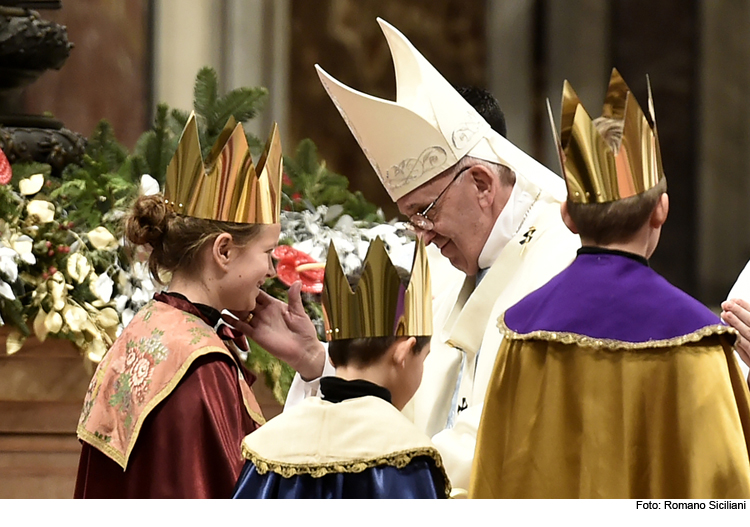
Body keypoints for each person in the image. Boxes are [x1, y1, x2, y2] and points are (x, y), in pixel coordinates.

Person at [276, 18, 580, 492]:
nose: (422, 236)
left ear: (481, 185)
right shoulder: (441, 260)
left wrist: (388, 480)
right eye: (410, 218)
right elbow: (393, 388)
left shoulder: (563, 259)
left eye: (426, 211)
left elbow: (514, 432)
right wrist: (320, 364)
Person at [470, 70, 750, 498]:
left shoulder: (521, 334)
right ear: (662, 211)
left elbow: (493, 485)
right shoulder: (699, 341)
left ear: (566, 215)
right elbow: (726, 494)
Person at [74, 114, 282, 498]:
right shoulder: (202, 367)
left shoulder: (146, 326)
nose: (271, 270)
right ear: (223, 250)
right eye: (268, 253)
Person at [231, 238, 450, 499]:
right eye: (423, 358)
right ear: (403, 352)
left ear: (331, 357)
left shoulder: (266, 450)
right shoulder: (408, 458)